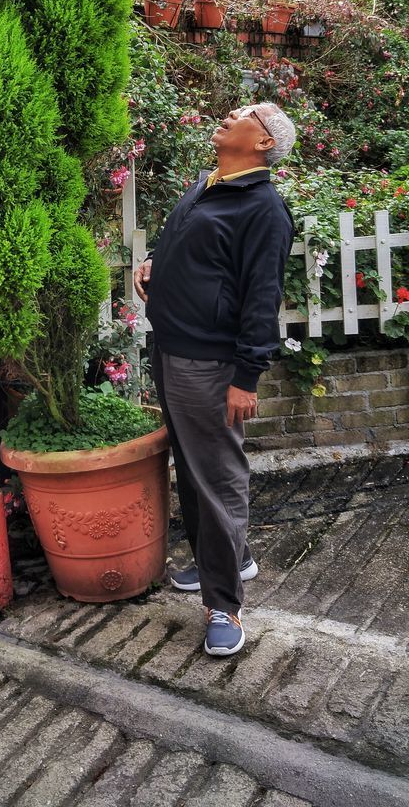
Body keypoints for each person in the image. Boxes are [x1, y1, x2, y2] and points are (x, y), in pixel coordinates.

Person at [133, 103, 295, 658]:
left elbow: (260, 297)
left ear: (264, 143)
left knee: (218, 478)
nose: (229, 114)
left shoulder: (264, 209)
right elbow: (197, 253)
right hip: (172, 348)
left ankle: (224, 604)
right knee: (194, 470)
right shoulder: (210, 184)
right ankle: (223, 560)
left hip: (210, 364)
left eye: (246, 114)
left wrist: (245, 376)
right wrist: (156, 267)